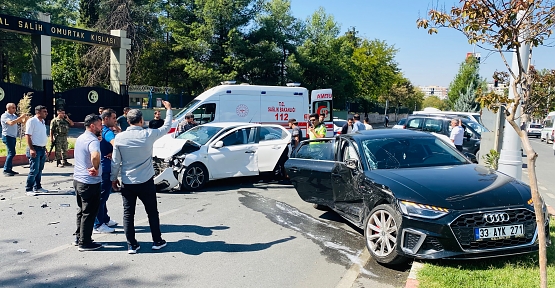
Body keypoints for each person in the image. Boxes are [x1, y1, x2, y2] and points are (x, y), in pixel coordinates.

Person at [111, 101, 172, 254]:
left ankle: (132, 245)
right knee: (152, 212)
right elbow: (166, 127)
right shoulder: (148, 134)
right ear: (140, 120)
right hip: (146, 181)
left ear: (128, 121)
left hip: (127, 181)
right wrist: (169, 110)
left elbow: (115, 162)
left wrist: (113, 178)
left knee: (128, 214)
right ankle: (157, 241)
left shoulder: (119, 138)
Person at [73, 114, 104, 251]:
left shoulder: (81, 137)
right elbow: (95, 155)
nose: (101, 127)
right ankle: (85, 242)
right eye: (99, 125)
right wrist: (95, 167)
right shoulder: (93, 141)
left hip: (78, 179)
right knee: (90, 212)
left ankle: (79, 236)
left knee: (82, 210)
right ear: (92, 126)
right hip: (89, 182)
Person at [93, 109, 118, 234]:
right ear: (106, 118)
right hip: (105, 169)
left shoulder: (100, 130)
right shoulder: (107, 132)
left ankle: (105, 219)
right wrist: (114, 151)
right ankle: (98, 224)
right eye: (113, 118)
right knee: (102, 197)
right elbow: (116, 144)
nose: (115, 120)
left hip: (103, 167)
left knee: (104, 196)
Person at [25, 105, 49, 196]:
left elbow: (40, 136)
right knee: (34, 170)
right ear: (38, 112)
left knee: (39, 169)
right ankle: (28, 188)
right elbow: (28, 135)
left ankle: (37, 187)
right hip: (35, 148)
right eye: (44, 111)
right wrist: (31, 149)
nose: (46, 113)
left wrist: (45, 147)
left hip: (42, 148)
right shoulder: (32, 121)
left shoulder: (42, 121)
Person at [1, 103, 27, 176]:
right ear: (8, 108)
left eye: (15, 108)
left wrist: (25, 118)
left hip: (13, 136)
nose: (14, 109)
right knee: (11, 153)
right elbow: (11, 123)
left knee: (11, 153)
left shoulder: (14, 116)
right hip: (7, 136)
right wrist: (20, 117)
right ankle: (6, 170)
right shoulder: (4, 116)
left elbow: (22, 122)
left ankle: (9, 169)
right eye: (13, 108)